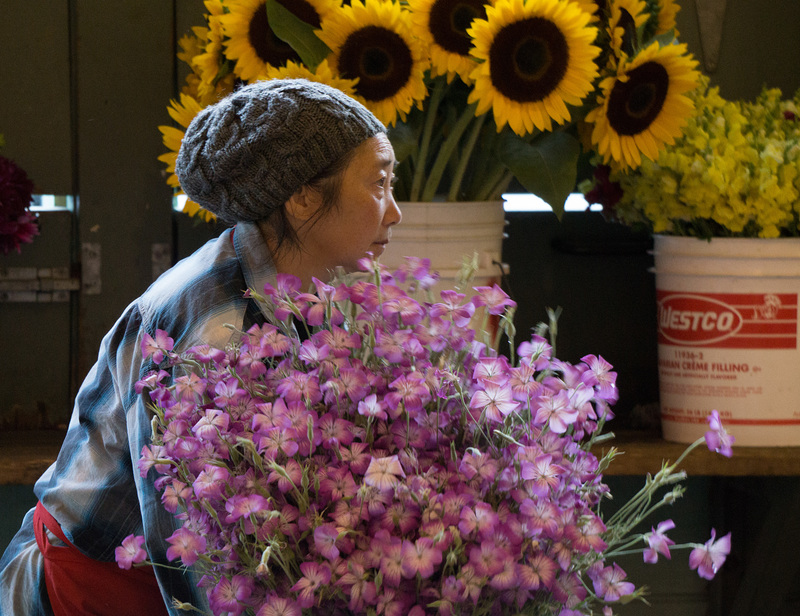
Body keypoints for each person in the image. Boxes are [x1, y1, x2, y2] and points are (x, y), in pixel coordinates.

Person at [0, 78, 401, 615]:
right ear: (303, 196)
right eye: (379, 185)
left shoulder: (311, 287)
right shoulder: (214, 328)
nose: (394, 212)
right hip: (101, 587)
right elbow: (190, 546)